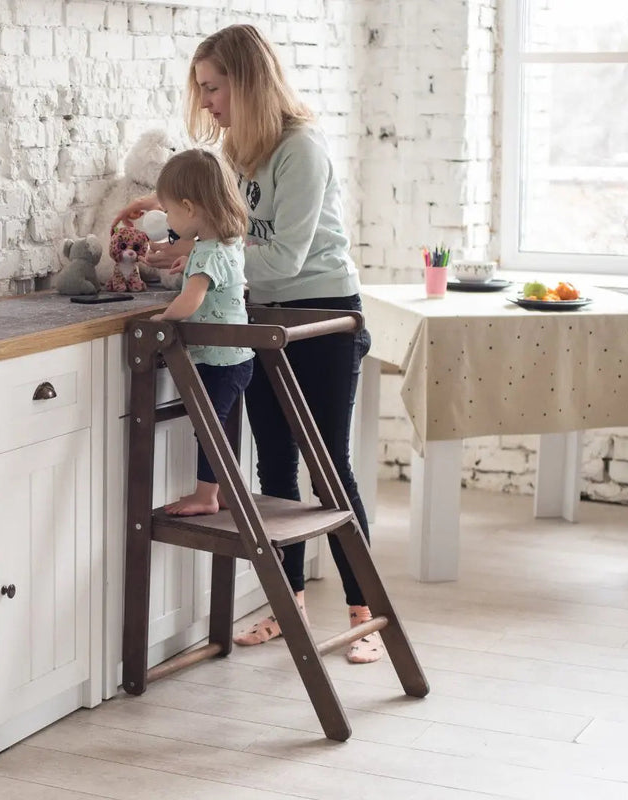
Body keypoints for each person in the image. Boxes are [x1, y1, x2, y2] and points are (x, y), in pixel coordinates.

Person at [114, 24, 380, 664]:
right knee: (274, 468)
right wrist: (164, 214)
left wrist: (203, 260)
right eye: (202, 89)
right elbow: (220, 220)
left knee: (329, 465)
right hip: (257, 316)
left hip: (320, 315)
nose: (206, 102)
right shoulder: (237, 149)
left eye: (213, 88)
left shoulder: (300, 149)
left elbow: (283, 258)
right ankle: (288, 605)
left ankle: (364, 614)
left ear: (247, 81)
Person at [150, 148, 254, 517]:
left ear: (189, 208)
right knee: (220, 424)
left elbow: (191, 301)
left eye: (169, 212)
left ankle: (206, 495)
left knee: (209, 429)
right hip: (238, 358)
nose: (168, 220)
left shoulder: (207, 254)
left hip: (217, 360)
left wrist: (162, 321)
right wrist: (190, 263)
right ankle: (225, 490)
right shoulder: (226, 244)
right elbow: (218, 276)